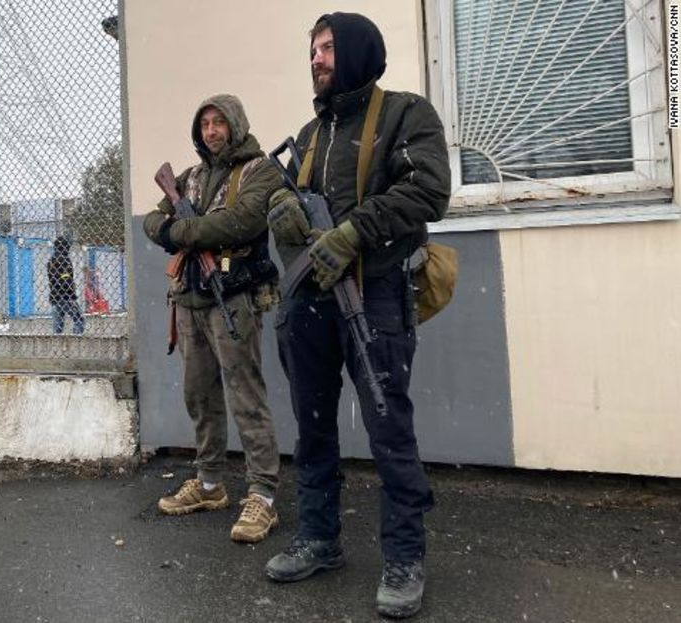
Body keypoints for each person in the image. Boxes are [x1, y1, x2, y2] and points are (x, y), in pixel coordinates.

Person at [263, 13, 450, 619]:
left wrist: (354, 232)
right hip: (312, 301)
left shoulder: (405, 114)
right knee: (312, 426)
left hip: (377, 297)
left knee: (388, 427)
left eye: (327, 48)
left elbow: (429, 191)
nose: (315, 59)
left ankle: (404, 558)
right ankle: (319, 540)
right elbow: (283, 192)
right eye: (311, 50)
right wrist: (282, 211)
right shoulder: (313, 132)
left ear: (359, 50)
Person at [142, 94, 283, 543]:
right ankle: (209, 484)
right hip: (190, 299)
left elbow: (239, 224)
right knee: (198, 394)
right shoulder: (191, 177)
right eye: (204, 124)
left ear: (236, 125)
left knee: (246, 395)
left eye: (220, 122)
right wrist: (175, 231)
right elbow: (151, 220)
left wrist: (178, 232)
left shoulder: (260, 171)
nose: (211, 131)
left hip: (234, 298)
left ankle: (263, 494)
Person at [47, 235, 84, 335]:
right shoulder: (65, 260)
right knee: (79, 319)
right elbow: (66, 280)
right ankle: (77, 340)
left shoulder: (51, 260)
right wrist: (71, 293)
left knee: (58, 326)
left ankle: (56, 346)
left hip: (55, 296)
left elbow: (56, 279)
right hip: (66, 296)